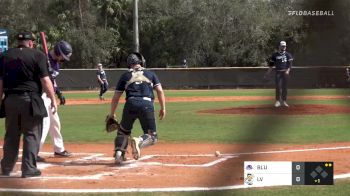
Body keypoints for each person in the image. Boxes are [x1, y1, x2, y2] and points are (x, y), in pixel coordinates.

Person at [0, 31, 57, 177]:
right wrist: (53, 99)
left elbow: (0, 82)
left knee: (11, 135)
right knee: (31, 134)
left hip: (10, 100)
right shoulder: (38, 55)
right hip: (31, 100)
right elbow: (45, 80)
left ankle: (6, 167)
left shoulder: (5, 56)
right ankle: (29, 169)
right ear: (31, 42)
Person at [109, 52, 166, 164]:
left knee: (123, 132)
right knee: (152, 136)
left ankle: (118, 155)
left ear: (129, 64)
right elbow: (159, 91)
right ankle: (138, 141)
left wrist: (112, 114)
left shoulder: (125, 76)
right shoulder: (151, 74)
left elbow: (116, 98)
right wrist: (163, 108)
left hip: (130, 103)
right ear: (141, 62)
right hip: (146, 104)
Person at [38, 41, 72, 161]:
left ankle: (59, 149)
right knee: (45, 123)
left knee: (55, 123)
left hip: (50, 95)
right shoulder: (42, 59)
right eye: (63, 56)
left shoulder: (55, 64)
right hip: (41, 95)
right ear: (58, 52)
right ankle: (34, 152)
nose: (63, 60)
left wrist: (59, 93)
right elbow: (44, 80)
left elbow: (53, 81)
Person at [266, 41, 293, 107]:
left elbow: (290, 65)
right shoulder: (275, 55)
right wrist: (267, 74)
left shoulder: (288, 54)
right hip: (278, 72)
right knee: (278, 87)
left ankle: (284, 101)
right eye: (282, 46)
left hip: (285, 73)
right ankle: (277, 101)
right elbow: (271, 65)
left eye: (285, 46)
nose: (284, 47)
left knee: (284, 87)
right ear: (279, 46)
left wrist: (288, 71)